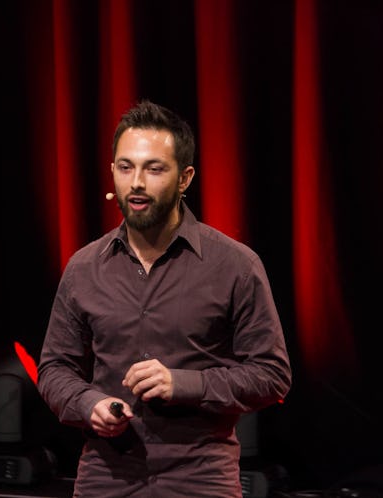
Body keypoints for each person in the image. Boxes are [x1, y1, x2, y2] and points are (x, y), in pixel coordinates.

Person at [36, 99, 292, 497]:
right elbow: (54, 368)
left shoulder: (235, 265)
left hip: (199, 480)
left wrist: (184, 383)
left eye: (154, 168)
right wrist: (88, 403)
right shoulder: (84, 267)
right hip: (107, 478)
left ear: (185, 178)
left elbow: (272, 376)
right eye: (126, 167)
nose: (136, 182)